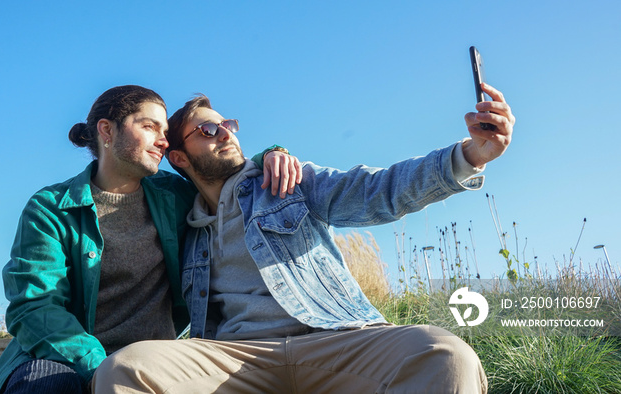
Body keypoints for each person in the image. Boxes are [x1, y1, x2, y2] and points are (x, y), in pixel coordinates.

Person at [91, 83, 515, 393]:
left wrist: (469, 156)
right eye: (207, 131)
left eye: (228, 125)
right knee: (127, 370)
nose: (226, 134)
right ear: (179, 158)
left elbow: (378, 191)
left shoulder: (287, 180)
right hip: (236, 359)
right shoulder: (178, 219)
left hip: (333, 341)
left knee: (445, 355)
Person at [0, 85, 301, 394]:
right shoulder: (51, 207)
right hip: (60, 359)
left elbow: (222, 172)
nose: (163, 141)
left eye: (164, 131)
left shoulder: (176, 195)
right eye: (150, 127)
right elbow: (34, 306)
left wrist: (271, 154)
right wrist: (103, 368)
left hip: (155, 362)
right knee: (51, 383)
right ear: (107, 131)